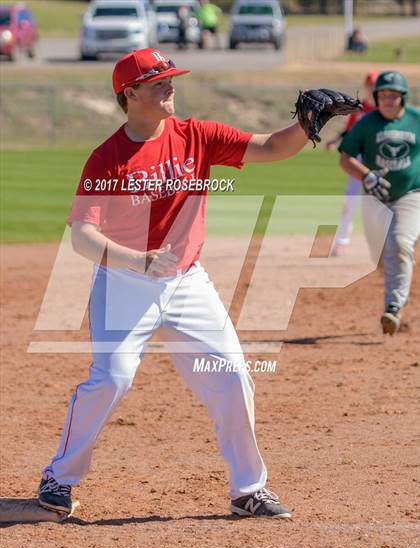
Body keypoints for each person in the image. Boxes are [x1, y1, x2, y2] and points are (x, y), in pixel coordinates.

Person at [37, 49, 351, 519]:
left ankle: (249, 489)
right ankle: (59, 477)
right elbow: (82, 232)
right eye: (159, 82)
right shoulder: (107, 158)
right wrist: (135, 259)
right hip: (124, 282)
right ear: (130, 94)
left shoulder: (196, 135)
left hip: (187, 282)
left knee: (233, 376)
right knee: (112, 380)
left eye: (170, 79)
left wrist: (305, 126)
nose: (171, 87)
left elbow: (267, 148)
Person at [339, 70, 420, 335]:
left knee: (400, 243)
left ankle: (393, 308)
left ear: (402, 97)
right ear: (376, 96)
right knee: (381, 258)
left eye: (393, 95)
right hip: (376, 199)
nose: (387, 99)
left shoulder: (416, 120)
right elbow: (346, 158)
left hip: (410, 194)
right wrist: (367, 176)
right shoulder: (366, 122)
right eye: (383, 94)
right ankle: (398, 274)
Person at [327, 71, 379, 256]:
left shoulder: (383, 110)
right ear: (366, 87)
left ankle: (388, 242)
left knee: (382, 201)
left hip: (377, 160)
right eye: (370, 85)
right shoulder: (359, 108)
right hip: (357, 160)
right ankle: (341, 241)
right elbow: (348, 131)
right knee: (350, 200)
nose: (373, 89)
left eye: (375, 85)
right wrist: (335, 141)